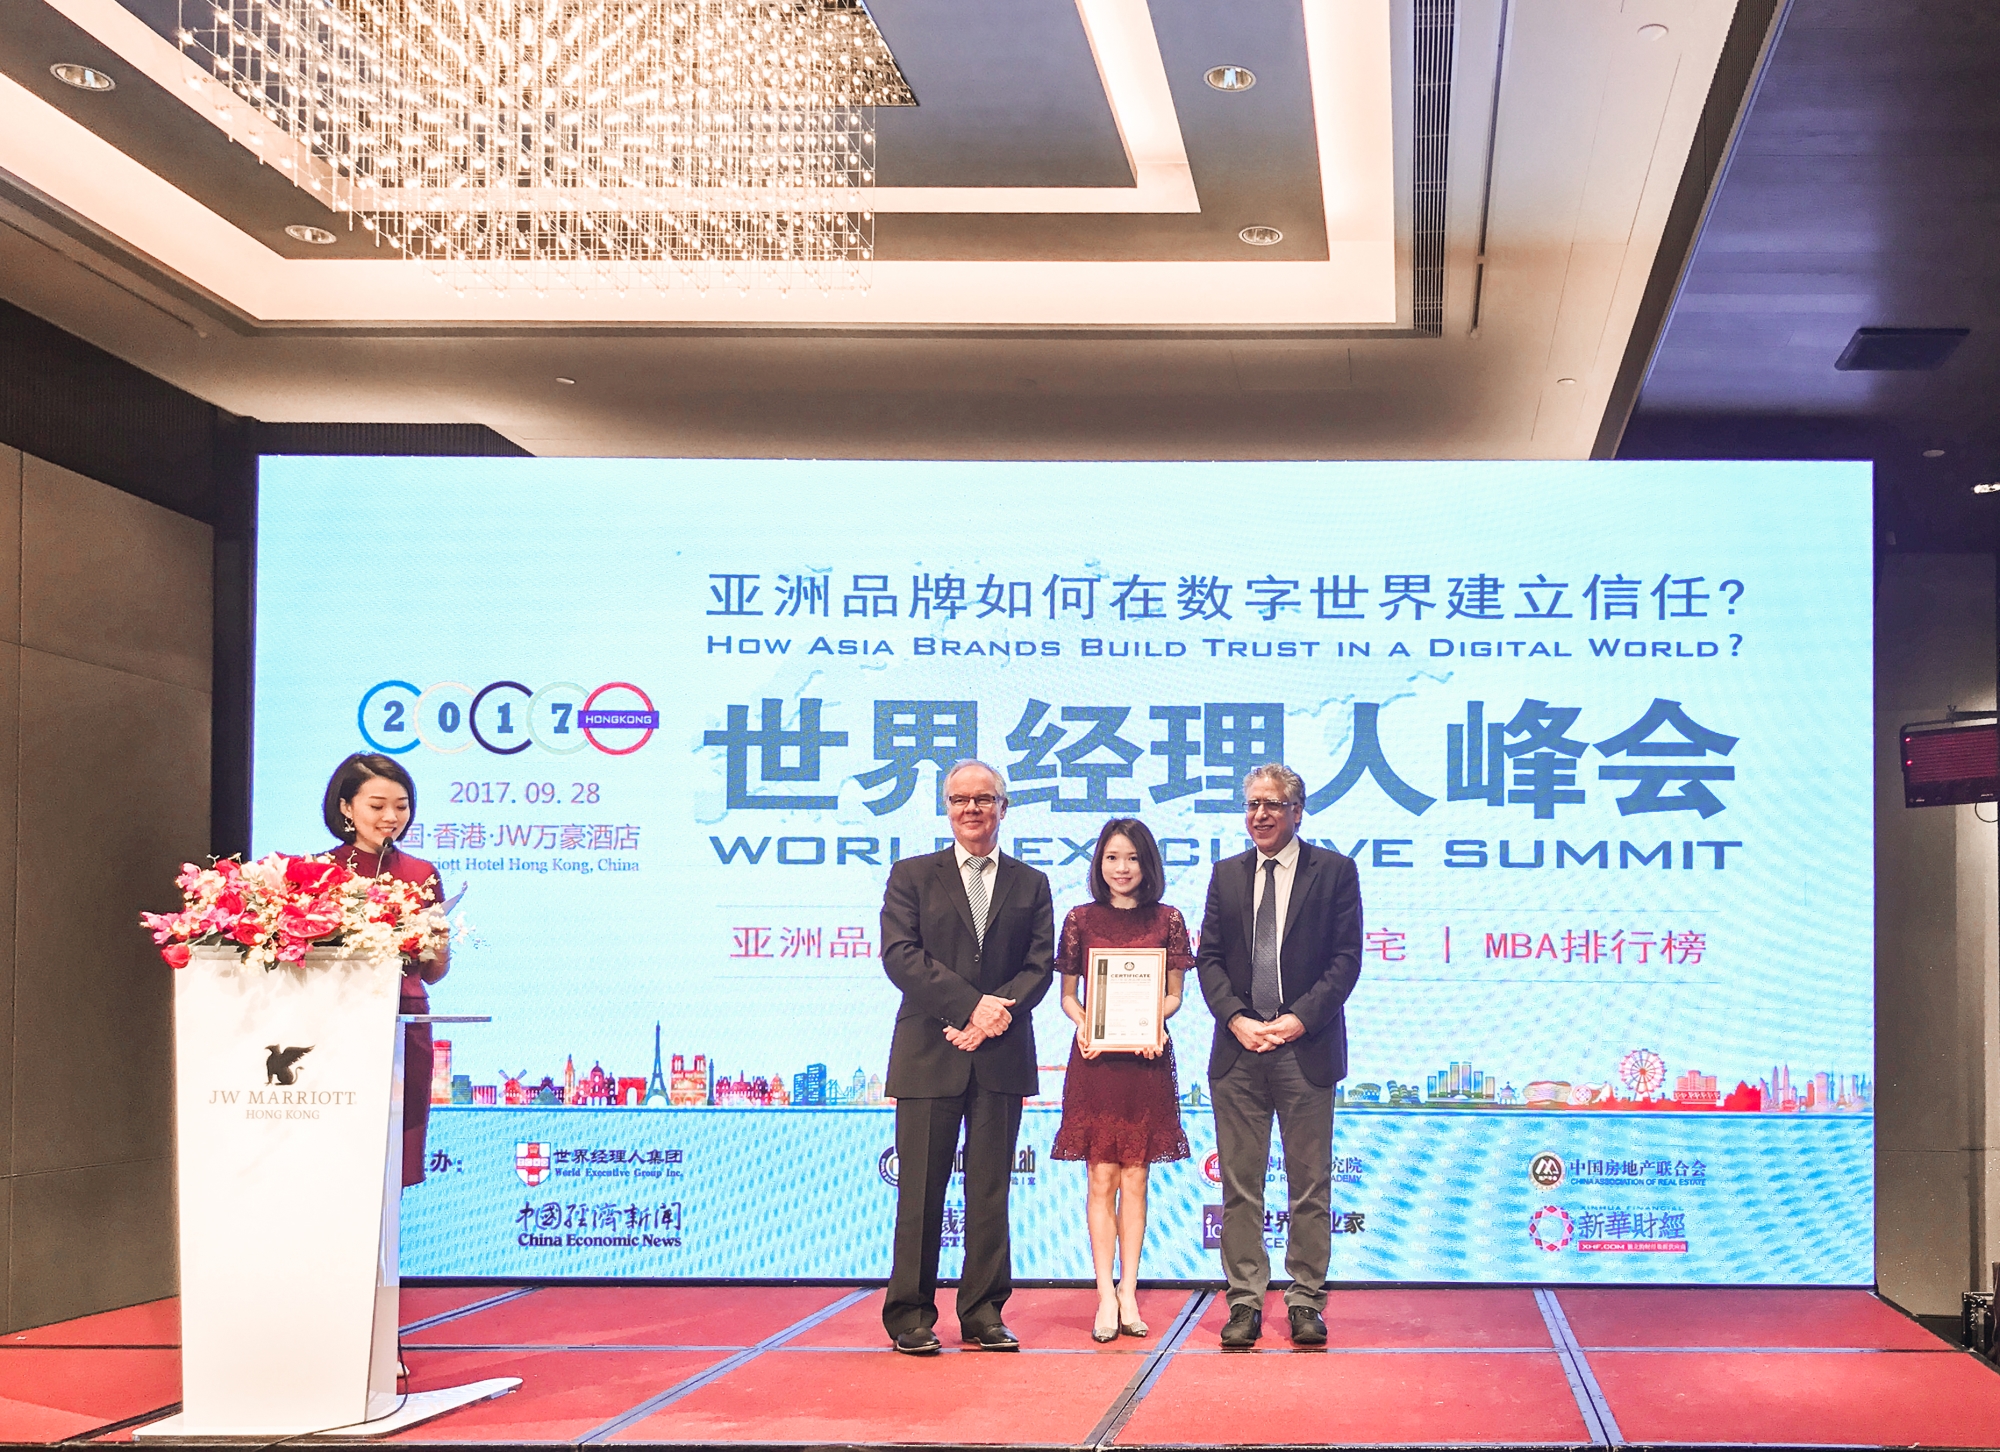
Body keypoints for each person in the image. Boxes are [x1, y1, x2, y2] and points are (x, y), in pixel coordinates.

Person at [879, 760, 1054, 1355]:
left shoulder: (1031, 883)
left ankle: (983, 1312)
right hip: (930, 1053)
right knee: (919, 1192)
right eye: (959, 799)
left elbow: (1039, 965)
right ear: (946, 807)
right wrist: (971, 1008)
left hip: (1000, 1054)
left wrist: (992, 1017)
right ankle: (910, 1315)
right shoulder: (912, 875)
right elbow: (901, 955)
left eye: (983, 799)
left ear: (1004, 807)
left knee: (989, 1192)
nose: (971, 809)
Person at [1195, 762, 1361, 1349]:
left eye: (1272, 804)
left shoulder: (1334, 872)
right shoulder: (1227, 874)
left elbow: (1345, 960)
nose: (1260, 815)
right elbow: (1209, 958)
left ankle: (1306, 1298)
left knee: (1309, 1185)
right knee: (1240, 1186)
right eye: (1252, 805)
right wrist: (1236, 1018)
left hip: (1306, 1049)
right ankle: (1244, 1300)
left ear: (1297, 811)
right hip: (1238, 1051)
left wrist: (1297, 1020)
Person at [1052, 819, 1191, 1343]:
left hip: (1145, 1062)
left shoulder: (1169, 919)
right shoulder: (1080, 919)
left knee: (1136, 1178)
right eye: (1112, 857)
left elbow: (1174, 995)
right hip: (1097, 1063)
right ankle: (1104, 1294)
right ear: (1099, 863)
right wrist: (1085, 1023)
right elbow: (1069, 996)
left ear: (1147, 863)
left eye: (1132, 857)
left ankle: (1129, 1290)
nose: (1122, 868)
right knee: (1100, 1178)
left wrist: (1155, 1021)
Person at [321, 752, 450, 1189]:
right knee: (339, 1151)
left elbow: (431, 974)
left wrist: (439, 943)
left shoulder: (421, 873)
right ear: (346, 807)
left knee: (397, 1150)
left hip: (405, 1022)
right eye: (377, 806)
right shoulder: (319, 872)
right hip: (337, 1022)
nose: (391, 817)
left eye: (401, 806)